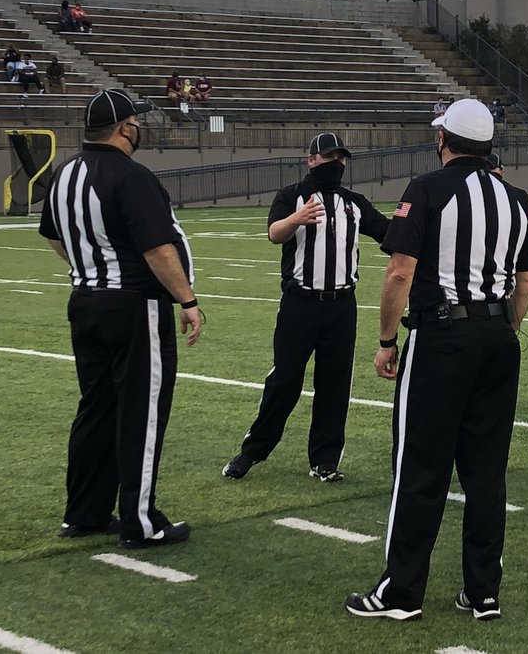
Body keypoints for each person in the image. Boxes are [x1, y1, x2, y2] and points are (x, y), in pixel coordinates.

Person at [345, 99, 528, 622]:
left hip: (443, 338)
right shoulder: (516, 198)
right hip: (499, 339)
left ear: (444, 139)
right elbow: (525, 281)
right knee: (486, 470)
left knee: (420, 467)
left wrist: (387, 340)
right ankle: (483, 591)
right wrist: (504, 329)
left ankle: (401, 592)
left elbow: (400, 272)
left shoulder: (428, 189)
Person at [38, 88, 202, 548]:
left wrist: (91, 266)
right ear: (126, 127)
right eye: (136, 123)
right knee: (141, 411)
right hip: (134, 306)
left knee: (96, 407)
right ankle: (141, 521)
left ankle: (85, 513)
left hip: (85, 300)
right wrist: (187, 300)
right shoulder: (132, 177)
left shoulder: (64, 174)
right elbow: (156, 247)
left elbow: (53, 236)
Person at [222, 133, 390, 483]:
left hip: (342, 305)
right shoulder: (291, 197)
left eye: (341, 158)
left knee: (335, 384)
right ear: (311, 160)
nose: (336, 163)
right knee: (284, 381)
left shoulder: (354, 202)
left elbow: (388, 235)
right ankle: (252, 452)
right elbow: (274, 234)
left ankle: (325, 459)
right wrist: (296, 219)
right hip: (300, 303)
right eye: (329, 157)